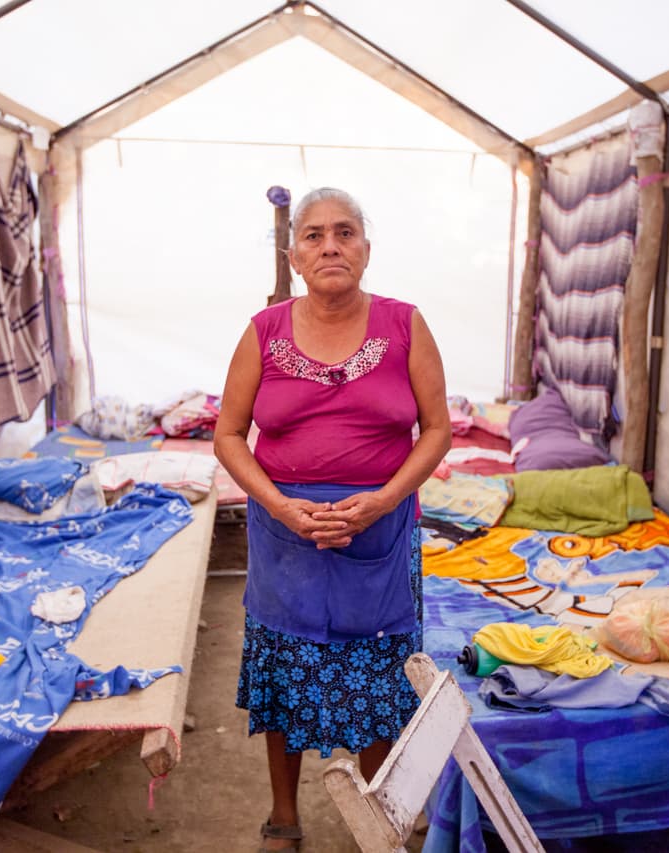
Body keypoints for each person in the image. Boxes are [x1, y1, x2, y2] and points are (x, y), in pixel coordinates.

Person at [214, 187, 451, 851]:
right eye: (314, 235)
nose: (330, 246)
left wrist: (383, 498)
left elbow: (436, 430)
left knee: (378, 670)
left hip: (378, 529)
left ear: (366, 250)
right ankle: (284, 815)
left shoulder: (405, 324)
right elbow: (229, 434)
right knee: (286, 666)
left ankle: (382, 814)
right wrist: (281, 505)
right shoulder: (263, 332)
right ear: (294, 257)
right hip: (283, 534)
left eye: (345, 233)